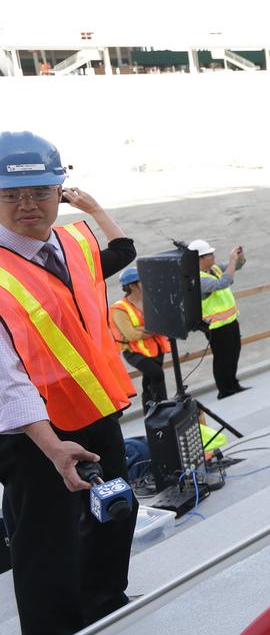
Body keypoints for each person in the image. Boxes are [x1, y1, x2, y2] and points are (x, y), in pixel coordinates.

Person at [0, 131, 139, 634]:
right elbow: (7, 380)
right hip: (33, 434)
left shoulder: (74, 243)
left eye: (38, 191)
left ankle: (103, 603)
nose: (26, 205)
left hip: (96, 412)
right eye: (11, 195)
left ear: (59, 190)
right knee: (45, 545)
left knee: (116, 509)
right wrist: (52, 446)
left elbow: (119, 254)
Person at [189, 238, 247, 399]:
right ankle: (224, 389)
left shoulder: (214, 269)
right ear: (199, 259)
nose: (213, 256)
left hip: (230, 321)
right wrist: (232, 260)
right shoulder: (197, 279)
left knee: (234, 353)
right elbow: (224, 282)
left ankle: (233, 384)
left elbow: (236, 267)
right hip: (216, 326)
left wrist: (239, 258)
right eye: (209, 254)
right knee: (222, 357)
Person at [108, 266, 170, 407]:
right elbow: (131, 335)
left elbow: (163, 322)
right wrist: (153, 328)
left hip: (155, 348)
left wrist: (142, 329)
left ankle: (151, 413)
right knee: (157, 375)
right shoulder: (119, 309)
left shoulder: (150, 301)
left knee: (149, 383)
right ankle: (163, 407)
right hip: (134, 352)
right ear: (132, 285)